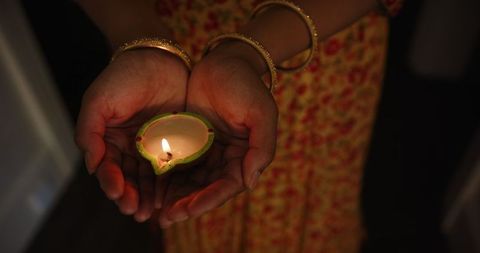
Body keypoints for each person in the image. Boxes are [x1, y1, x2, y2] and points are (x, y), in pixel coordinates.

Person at [75, 0, 403, 252]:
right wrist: (135, 31)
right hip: (166, 39)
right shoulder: (160, 95)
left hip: (319, 38)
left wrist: (249, 54)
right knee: (193, 210)